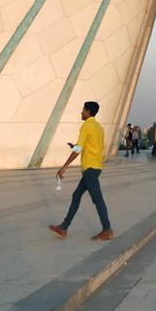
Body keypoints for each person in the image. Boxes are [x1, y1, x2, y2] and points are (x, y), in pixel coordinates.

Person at [49, 101, 113, 241]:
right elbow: (94, 146)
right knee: (76, 196)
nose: (81, 112)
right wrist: (77, 147)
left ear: (88, 112)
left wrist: (64, 166)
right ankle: (63, 228)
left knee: (98, 199)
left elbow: (79, 149)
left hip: (89, 168)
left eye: (83, 110)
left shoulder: (86, 126)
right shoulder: (98, 127)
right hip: (95, 167)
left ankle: (107, 229)